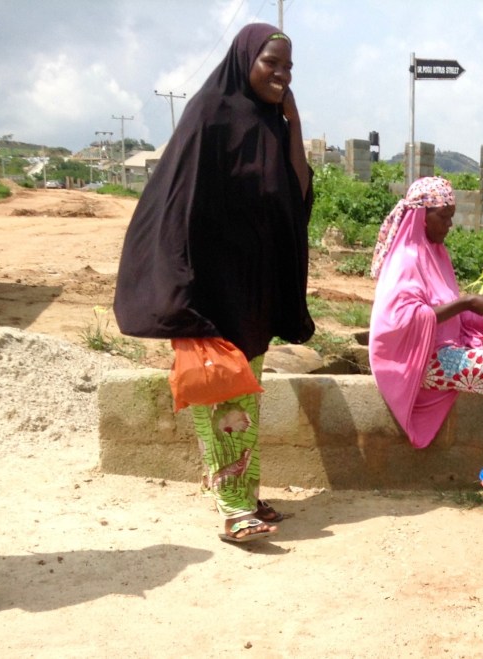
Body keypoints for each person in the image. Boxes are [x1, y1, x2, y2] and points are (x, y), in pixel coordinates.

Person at [113, 23, 314, 543]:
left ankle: (246, 492)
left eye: (289, 67)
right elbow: (175, 203)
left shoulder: (271, 122)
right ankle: (232, 508)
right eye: (272, 63)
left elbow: (298, 191)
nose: (281, 74)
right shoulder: (210, 114)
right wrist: (180, 284)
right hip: (213, 289)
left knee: (246, 395)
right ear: (245, 59)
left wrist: (293, 123)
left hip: (256, 289)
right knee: (221, 394)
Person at [368, 176, 483, 464]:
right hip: (422, 359)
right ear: (420, 216)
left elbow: (445, 306)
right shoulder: (406, 259)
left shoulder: (436, 253)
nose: (449, 225)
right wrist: (466, 302)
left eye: (451, 218)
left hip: (449, 347)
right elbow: (402, 321)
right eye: (444, 217)